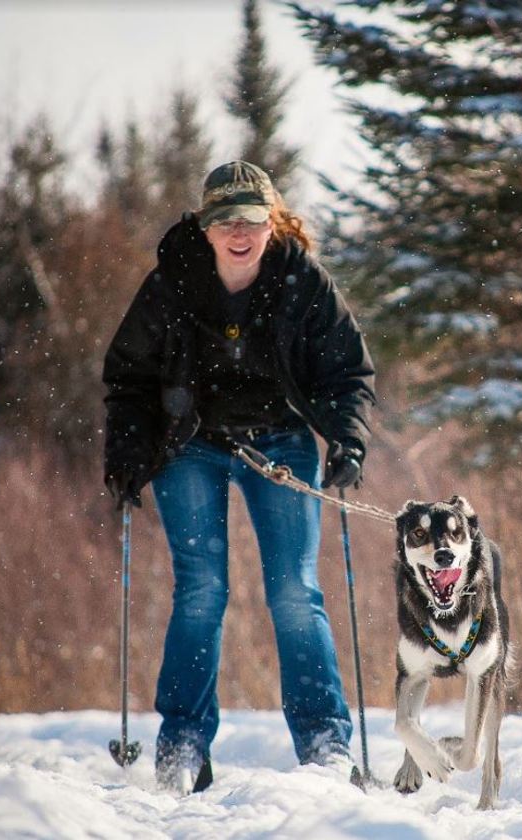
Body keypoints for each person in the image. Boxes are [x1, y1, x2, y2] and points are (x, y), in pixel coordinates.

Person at [101, 160, 375, 794]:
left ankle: (326, 743)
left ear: (272, 221)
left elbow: (348, 373)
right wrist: (125, 453)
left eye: (252, 218)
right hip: (191, 446)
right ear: (205, 227)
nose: (240, 231)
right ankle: (183, 747)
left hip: (280, 443)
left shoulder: (303, 281)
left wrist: (347, 439)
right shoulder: (170, 284)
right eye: (225, 219)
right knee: (202, 589)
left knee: (294, 592)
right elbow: (128, 377)